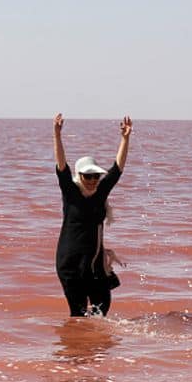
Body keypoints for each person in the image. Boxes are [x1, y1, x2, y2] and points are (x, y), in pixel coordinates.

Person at [53, 113, 132, 317]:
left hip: (94, 263)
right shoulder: (71, 194)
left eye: (95, 175)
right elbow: (62, 168)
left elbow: (117, 169)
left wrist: (125, 138)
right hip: (70, 264)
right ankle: (76, 347)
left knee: (102, 307)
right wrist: (57, 135)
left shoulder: (100, 193)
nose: (92, 180)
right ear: (79, 176)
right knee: (78, 313)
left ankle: (95, 347)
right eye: (87, 176)